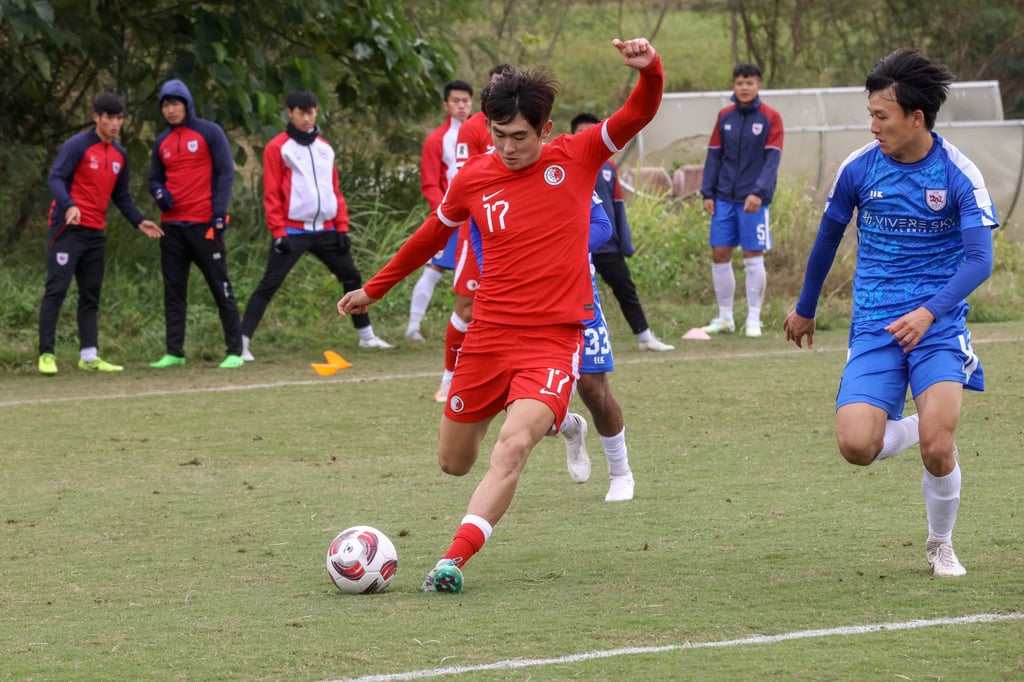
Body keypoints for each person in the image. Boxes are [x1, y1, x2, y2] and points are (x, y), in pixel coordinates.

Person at [338, 37, 664, 593]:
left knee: (511, 446)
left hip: (552, 340)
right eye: (498, 135)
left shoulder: (578, 156)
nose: (508, 148)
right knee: (454, 462)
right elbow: (430, 235)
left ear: (544, 129)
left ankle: (451, 562)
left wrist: (649, 68)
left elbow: (639, 111)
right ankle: (562, 421)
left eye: (520, 136)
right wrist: (375, 289)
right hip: (488, 338)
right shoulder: (473, 178)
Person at [783, 48, 998, 578]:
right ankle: (919, 422)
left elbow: (979, 260)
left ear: (915, 117)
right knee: (857, 446)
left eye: (882, 116)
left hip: (937, 326)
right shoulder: (859, 168)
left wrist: (928, 313)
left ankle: (941, 543)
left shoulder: (958, 173)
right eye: (871, 115)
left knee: (938, 447)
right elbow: (827, 237)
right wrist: (806, 308)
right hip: (875, 325)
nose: (873, 126)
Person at [240, 90, 392, 360]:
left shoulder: (324, 148)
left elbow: (334, 190)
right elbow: (271, 194)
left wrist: (342, 227)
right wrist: (278, 231)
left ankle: (366, 336)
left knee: (352, 276)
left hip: (327, 229)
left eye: (311, 112)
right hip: (292, 231)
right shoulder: (278, 147)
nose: (307, 118)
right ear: (290, 113)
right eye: (301, 113)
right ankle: (241, 343)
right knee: (269, 283)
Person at [37, 93, 163, 375]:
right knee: (57, 289)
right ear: (97, 117)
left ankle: (89, 356)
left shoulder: (120, 155)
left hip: (95, 232)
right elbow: (55, 178)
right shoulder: (77, 145)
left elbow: (121, 196)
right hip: (67, 228)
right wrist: (69, 205)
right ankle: (46, 354)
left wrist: (138, 221)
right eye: (110, 118)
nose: (115, 124)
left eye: (120, 118)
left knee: (91, 294)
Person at [148, 79, 244, 369]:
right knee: (173, 290)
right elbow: (154, 179)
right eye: (166, 105)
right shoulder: (162, 142)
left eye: (175, 103)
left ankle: (235, 351)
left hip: (204, 224)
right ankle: (174, 352)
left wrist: (219, 213)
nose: (170, 109)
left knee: (220, 285)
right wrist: (159, 193)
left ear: (186, 104)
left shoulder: (209, 132)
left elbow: (225, 172)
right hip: (172, 227)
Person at [433, 64, 514, 403]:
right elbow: (464, 179)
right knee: (467, 308)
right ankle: (449, 378)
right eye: (495, 86)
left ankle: (512, 374)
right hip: (478, 227)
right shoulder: (471, 128)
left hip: (518, 229)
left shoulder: (524, 122)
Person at [570, 112, 674, 352]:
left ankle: (645, 337)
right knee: (572, 294)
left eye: (590, 132)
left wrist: (625, 242)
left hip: (607, 245)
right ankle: (573, 342)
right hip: (577, 245)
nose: (585, 136)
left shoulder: (608, 167)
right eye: (580, 132)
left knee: (625, 289)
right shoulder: (564, 166)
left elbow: (618, 206)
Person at [558, 195, 636, 502]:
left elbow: (603, 226)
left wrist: (555, 249)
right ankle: (569, 426)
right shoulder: (501, 182)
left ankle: (620, 472)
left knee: (593, 388)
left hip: (580, 300)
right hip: (531, 301)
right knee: (536, 407)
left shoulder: (567, 175)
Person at [699, 63, 784, 338]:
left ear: (759, 85)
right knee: (719, 254)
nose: (744, 88)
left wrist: (758, 192)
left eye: (749, 83)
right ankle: (725, 318)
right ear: (733, 86)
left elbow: (772, 160)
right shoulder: (724, 117)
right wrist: (707, 192)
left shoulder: (771, 117)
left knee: (752, 255)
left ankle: (753, 318)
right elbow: (714, 155)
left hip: (753, 201)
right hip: (723, 198)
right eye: (739, 83)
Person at [405, 80, 474, 343]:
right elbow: (430, 183)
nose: (461, 106)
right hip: (452, 217)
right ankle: (413, 327)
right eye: (456, 101)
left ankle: (477, 328)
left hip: (479, 217)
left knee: (485, 272)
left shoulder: (484, 132)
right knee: (433, 269)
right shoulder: (437, 139)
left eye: (465, 101)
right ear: (446, 105)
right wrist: (445, 214)